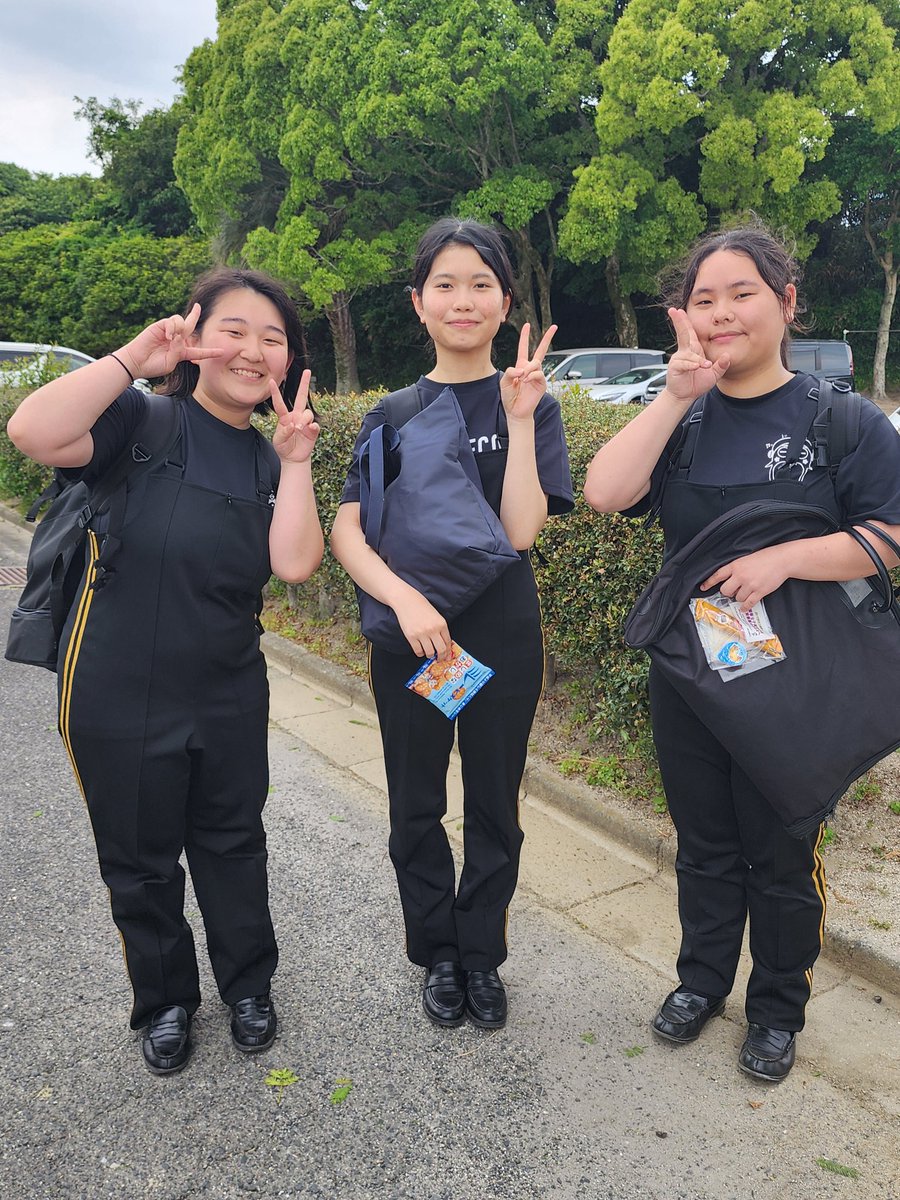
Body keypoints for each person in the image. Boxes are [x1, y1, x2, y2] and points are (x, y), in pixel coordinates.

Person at [583, 223, 900, 1081]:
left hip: (797, 684)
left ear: (787, 302)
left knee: (783, 848)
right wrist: (673, 395)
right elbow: (606, 494)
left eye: (741, 294)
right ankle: (700, 982)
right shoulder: (682, 416)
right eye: (702, 300)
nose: (721, 314)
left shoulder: (844, 421)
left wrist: (787, 558)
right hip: (694, 676)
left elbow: (890, 537)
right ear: (682, 317)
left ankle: (778, 1008)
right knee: (704, 840)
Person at [7, 269, 323, 1075]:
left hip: (227, 685)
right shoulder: (142, 420)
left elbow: (292, 564)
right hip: (115, 683)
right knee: (139, 856)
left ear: (288, 361)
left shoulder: (270, 458)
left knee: (233, 842)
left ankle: (248, 986)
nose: (253, 350)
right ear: (194, 338)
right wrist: (131, 358)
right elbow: (33, 432)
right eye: (236, 330)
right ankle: (167, 1001)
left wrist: (295, 463)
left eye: (273, 338)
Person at [331, 219, 573, 1029]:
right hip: (419, 640)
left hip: (501, 632)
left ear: (506, 301)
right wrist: (403, 599)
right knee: (416, 801)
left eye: (481, 284)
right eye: (445, 284)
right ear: (417, 303)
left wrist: (525, 417)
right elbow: (347, 531)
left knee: (495, 803)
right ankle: (436, 951)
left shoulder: (532, 400)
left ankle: (482, 954)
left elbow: (522, 534)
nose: (462, 299)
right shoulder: (393, 412)